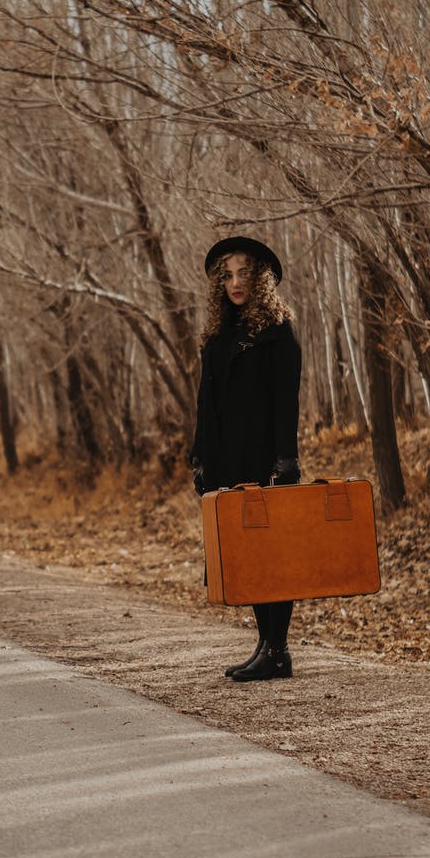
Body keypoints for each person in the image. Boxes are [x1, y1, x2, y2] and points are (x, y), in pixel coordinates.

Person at [189, 236, 302, 682]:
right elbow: (204, 400)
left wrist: (286, 460)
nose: (235, 283)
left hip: (265, 460)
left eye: (244, 273)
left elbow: (285, 401)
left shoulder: (277, 332)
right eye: (227, 275)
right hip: (225, 461)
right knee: (249, 559)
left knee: (272, 557)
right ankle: (265, 646)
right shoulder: (218, 335)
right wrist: (198, 456)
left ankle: (278, 649)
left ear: (261, 278)